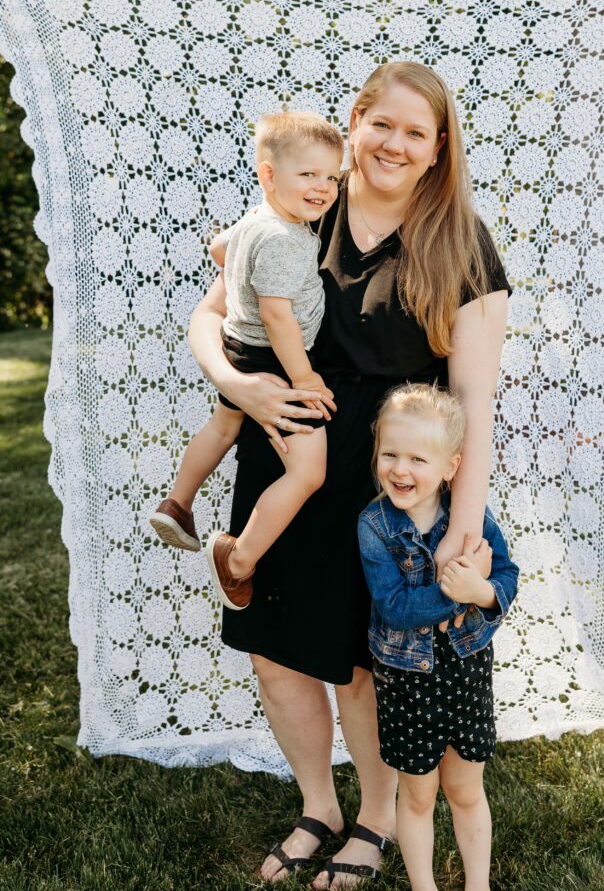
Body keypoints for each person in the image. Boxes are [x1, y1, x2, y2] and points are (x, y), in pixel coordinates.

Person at [187, 62, 512, 887]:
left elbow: (474, 401)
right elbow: (211, 315)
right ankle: (317, 807)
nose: (395, 144)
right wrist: (232, 383)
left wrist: (461, 528)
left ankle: (375, 817)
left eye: (416, 132)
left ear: (439, 147)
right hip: (286, 458)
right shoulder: (303, 207)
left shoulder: (461, 242)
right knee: (276, 650)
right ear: (356, 121)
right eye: (383, 124)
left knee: (366, 664)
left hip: (392, 484)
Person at [150, 111, 343, 611]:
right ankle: (237, 557)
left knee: (223, 427)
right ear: (269, 174)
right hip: (273, 360)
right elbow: (278, 317)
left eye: (331, 177)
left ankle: (178, 502)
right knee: (308, 473)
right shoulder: (283, 238)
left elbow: (219, 248)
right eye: (308, 174)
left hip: (238, 346)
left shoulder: (258, 219)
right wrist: (304, 376)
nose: (323, 188)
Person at [358, 383, 519, 891]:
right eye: (390, 454)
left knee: (466, 789)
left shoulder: (471, 516)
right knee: (418, 795)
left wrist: (484, 592)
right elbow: (395, 607)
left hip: (467, 674)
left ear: (451, 467)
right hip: (407, 684)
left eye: (417, 459)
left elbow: (507, 575)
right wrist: (458, 594)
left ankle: (478, 884)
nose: (400, 470)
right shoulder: (375, 526)